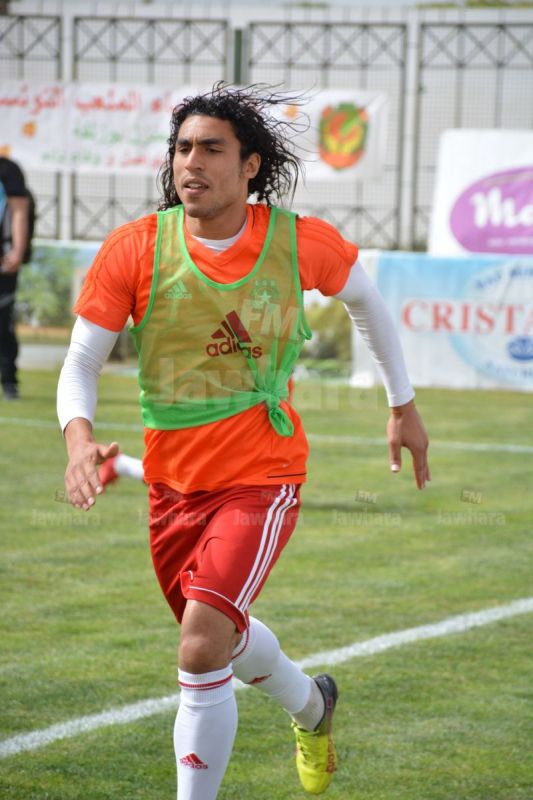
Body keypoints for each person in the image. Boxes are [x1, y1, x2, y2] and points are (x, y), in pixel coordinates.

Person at [57, 83, 430, 800]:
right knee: (221, 638)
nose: (189, 163)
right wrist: (79, 442)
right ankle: (313, 706)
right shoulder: (135, 248)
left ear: (250, 165)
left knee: (200, 646)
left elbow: (366, 302)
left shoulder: (297, 241)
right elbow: (80, 362)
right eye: (181, 149)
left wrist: (402, 406)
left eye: (210, 149)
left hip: (263, 475)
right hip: (171, 486)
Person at [0, 156, 31, 400]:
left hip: (4, 260)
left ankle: (9, 381)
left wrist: (18, 251)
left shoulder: (8, 169)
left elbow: (19, 210)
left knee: (3, 323)